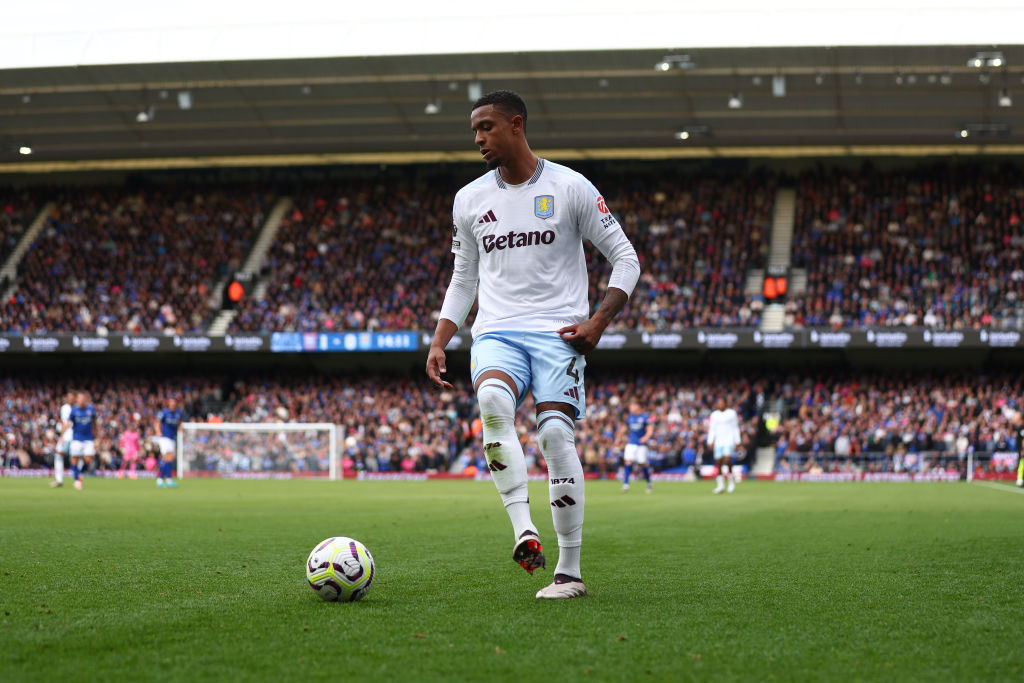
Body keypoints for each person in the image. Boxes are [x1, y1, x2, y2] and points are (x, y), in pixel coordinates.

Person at [426, 90, 641, 600]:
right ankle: (524, 529)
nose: (478, 138)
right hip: (496, 331)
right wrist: (440, 340)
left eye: (486, 127)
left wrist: (597, 323)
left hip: (559, 333)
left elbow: (626, 259)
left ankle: (569, 571)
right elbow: (463, 278)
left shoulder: (570, 187)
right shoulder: (469, 199)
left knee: (553, 439)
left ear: (516, 125)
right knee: (494, 402)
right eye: (474, 130)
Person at [707, 397, 741, 494]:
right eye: (718, 403)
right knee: (719, 463)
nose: (720, 405)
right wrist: (710, 440)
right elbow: (712, 429)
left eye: (721, 403)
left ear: (726, 404)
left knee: (728, 460)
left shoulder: (731, 413)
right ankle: (720, 485)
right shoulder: (714, 415)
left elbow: (735, 427)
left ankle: (731, 482)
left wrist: (737, 440)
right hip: (718, 441)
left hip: (729, 440)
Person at [67, 391, 99, 490]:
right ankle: (77, 480)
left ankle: (79, 473)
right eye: (79, 399)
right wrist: (62, 436)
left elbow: (95, 424)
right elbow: (68, 423)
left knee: (88, 460)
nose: (81, 401)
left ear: (85, 400)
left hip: (88, 439)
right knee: (74, 460)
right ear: (77, 400)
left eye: (83, 399)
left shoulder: (91, 410)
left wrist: (97, 438)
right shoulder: (74, 411)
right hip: (76, 438)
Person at [622, 401, 654, 493]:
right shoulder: (630, 417)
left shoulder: (644, 417)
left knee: (643, 464)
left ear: (637, 406)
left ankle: (649, 483)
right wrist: (619, 437)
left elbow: (650, 429)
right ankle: (626, 484)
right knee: (628, 462)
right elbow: (625, 428)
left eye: (631, 406)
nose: (630, 408)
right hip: (631, 443)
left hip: (641, 445)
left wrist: (646, 437)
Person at [154, 398, 182, 488]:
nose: (173, 405)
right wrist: (158, 431)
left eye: (174, 404)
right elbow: (157, 422)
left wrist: (180, 428)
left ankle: (168, 479)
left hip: (172, 438)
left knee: (169, 459)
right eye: (171, 404)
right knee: (167, 457)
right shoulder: (164, 412)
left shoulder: (178, 413)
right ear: (168, 404)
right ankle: (160, 479)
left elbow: (180, 422)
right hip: (165, 438)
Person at [52, 391, 74, 488]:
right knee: (59, 455)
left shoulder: (74, 408)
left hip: (71, 437)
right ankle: (59, 480)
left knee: (74, 458)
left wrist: (61, 436)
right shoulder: (65, 408)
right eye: (67, 396)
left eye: (71, 397)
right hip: (68, 436)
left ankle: (76, 478)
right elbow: (65, 423)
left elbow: (66, 423)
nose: (69, 398)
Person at [118, 414, 142, 480]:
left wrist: (139, 449)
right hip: (127, 449)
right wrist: (121, 447)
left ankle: (132, 474)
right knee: (125, 461)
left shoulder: (136, 434)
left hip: (134, 450)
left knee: (133, 461)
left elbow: (137, 443)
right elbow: (122, 441)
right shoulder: (126, 433)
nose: (131, 428)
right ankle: (121, 472)